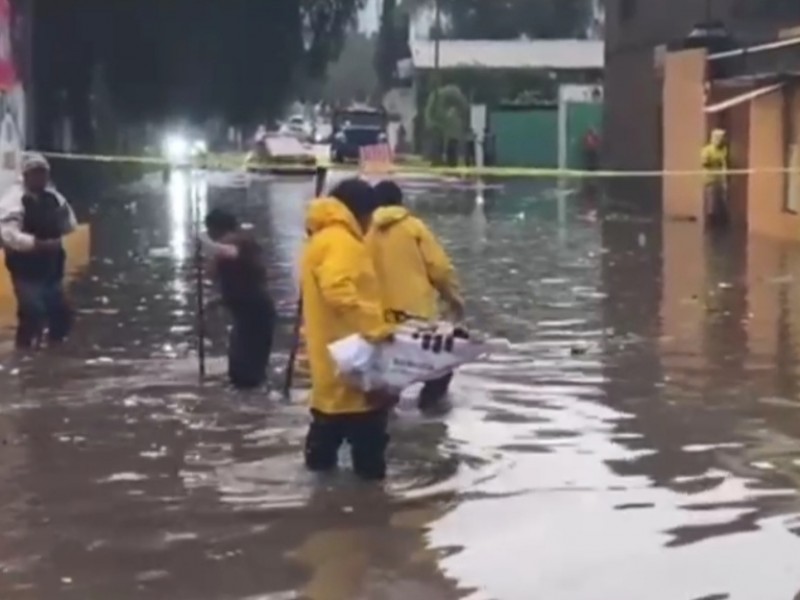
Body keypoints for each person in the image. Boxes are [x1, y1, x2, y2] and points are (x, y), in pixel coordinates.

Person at [301, 178, 396, 481]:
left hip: (328, 367)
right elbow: (338, 290)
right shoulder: (343, 242)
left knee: (321, 455)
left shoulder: (320, 240)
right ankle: (370, 515)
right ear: (361, 212)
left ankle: (320, 511)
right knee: (369, 461)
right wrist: (378, 329)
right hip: (355, 367)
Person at [367, 180, 464, 413]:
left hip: (374, 320)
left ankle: (385, 418)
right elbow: (439, 268)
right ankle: (430, 413)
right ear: (401, 203)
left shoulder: (361, 230)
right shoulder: (414, 228)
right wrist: (454, 299)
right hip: (415, 318)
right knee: (439, 367)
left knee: (382, 381)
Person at [0, 153, 76, 349]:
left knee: (61, 314)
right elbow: (8, 235)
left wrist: (56, 234)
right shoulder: (14, 201)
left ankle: (53, 355)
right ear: (25, 175)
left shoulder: (55, 198)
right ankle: (24, 356)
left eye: (42, 173)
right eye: (35, 173)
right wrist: (37, 244)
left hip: (52, 267)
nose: (39, 178)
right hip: (25, 268)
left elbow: (70, 224)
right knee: (32, 313)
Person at [202, 208, 276, 390]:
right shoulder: (237, 244)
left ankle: (253, 403)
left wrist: (204, 242)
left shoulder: (239, 242)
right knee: (240, 369)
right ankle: (252, 402)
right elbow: (241, 281)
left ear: (215, 229)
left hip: (255, 314)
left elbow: (230, 252)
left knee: (246, 371)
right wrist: (218, 300)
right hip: (248, 312)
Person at [701, 128, 729, 229]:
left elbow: (724, 163)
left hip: (720, 179)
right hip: (710, 179)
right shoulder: (707, 149)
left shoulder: (723, 150)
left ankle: (721, 223)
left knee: (721, 200)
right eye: (718, 137)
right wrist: (715, 163)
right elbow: (705, 162)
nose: (720, 139)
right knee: (711, 202)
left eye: (721, 137)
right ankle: (710, 223)